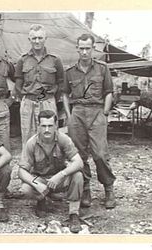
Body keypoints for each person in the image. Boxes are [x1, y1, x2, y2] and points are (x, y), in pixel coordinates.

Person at [62, 33, 116, 209]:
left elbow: (108, 91)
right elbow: (64, 93)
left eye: (88, 48)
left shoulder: (102, 68)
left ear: (93, 49)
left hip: (96, 111)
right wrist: (70, 116)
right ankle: (85, 189)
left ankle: (108, 188)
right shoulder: (70, 71)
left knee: (100, 154)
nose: (85, 52)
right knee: (79, 154)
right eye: (82, 48)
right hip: (77, 112)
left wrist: (105, 113)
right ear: (77, 49)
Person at [18, 110, 84, 233]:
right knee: (25, 188)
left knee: (78, 176)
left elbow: (79, 162)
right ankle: (42, 200)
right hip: (41, 180)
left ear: (56, 126)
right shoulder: (31, 143)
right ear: (38, 127)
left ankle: (74, 214)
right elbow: (21, 171)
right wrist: (37, 184)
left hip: (59, 180)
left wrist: (61, 175)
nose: (47, 130)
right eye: (43, 126)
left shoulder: (64, 139)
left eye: (50, 126)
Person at [14, 24, 64, 146]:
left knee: (50, 136)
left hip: (48, 102)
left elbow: (60, 83)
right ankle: (28, 164)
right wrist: (26, 99)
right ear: (29, 39)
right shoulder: (22, 60)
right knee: (28, 137)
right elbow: (18, 84)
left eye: (40, 38)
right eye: (34, 38)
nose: (37, 41)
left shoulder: (55, 60)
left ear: (45, 38)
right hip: (28, 103)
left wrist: (50, 99)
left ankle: (51, 163)